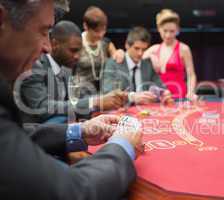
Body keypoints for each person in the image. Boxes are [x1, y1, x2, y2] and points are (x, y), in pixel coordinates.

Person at [0, 0, 142, 199]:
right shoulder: (35, 66)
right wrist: (121, 146)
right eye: (43, 31)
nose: (47, 47)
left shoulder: (65, 69)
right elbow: (73, 191)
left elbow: (20, 134)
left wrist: (80, 131)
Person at [19, 20, 127, 124]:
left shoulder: (66, 67)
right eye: (73, 50)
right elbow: (42, 107)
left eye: (79, 51)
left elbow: (81, 96)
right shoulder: (35, 66)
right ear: (54, 44)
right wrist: (95, 102)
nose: (77, 56)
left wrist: (110, 98)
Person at [101, 26, 173, 105]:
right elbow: (108, 92)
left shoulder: (147, 63)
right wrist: (132, 97)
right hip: (122, 111)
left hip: (145, 110)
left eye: (144, 49)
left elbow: (159, 85)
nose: (140, 53)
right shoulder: (113, 63)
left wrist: (164, 93)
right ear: (127, 45)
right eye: (136, 48)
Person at [143, 9, 197, 100]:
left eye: (172, 31)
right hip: (159, 98)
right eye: (165, 31)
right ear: (159, 29)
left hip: (178, 96)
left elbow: (191, 74)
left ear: (177, 30)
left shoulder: (183, 49)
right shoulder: (154, 49)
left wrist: (191, 92)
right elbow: (136, 59)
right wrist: (151, 56)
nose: (168, 35)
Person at [75, 6, 125, 96]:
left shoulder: (106, 44)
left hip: (104, 94)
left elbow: (116, 63)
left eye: (103, 30)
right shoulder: (77, 43)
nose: (101, 34)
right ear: (85, 26)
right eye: (97, 31)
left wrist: (120, 53)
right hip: (81, 95)